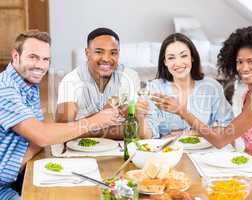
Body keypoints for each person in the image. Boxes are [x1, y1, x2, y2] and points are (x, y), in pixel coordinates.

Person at [171, 27, 252, 199]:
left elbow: (221, 140)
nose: (244, 67)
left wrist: (182, 112)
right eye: (240, 62)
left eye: (251, 61)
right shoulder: (249, 93)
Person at [0, 31, 121, 200]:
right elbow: (42, 136)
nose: (40, 65)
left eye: (45, 59)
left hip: (15, 177)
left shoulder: (27, 84)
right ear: (15, 56)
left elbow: (40, 134)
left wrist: (44, 134)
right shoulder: (5, 89)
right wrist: (94, 121)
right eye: (33, 57)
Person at [136, 33, 234, 140]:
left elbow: (227, 127)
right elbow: (147, 136)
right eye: (171, 58)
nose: (178, 63)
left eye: (184, 55)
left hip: (204, 153)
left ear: (192, 57)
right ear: (165, 62)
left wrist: (189, 133)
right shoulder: (155, 88)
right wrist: (140, 118)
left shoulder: (211, 87)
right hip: (168, 153)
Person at [56, 27, 140, 139]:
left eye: (113, 53)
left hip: (118, 147)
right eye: (99, 52)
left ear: (118, 54)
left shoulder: (129, 76)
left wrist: (83, 128)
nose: (106, 58)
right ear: (87, 53)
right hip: (80, 149)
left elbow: (134, 127)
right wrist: (101, 117)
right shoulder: (71, 80)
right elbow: (63, 129)